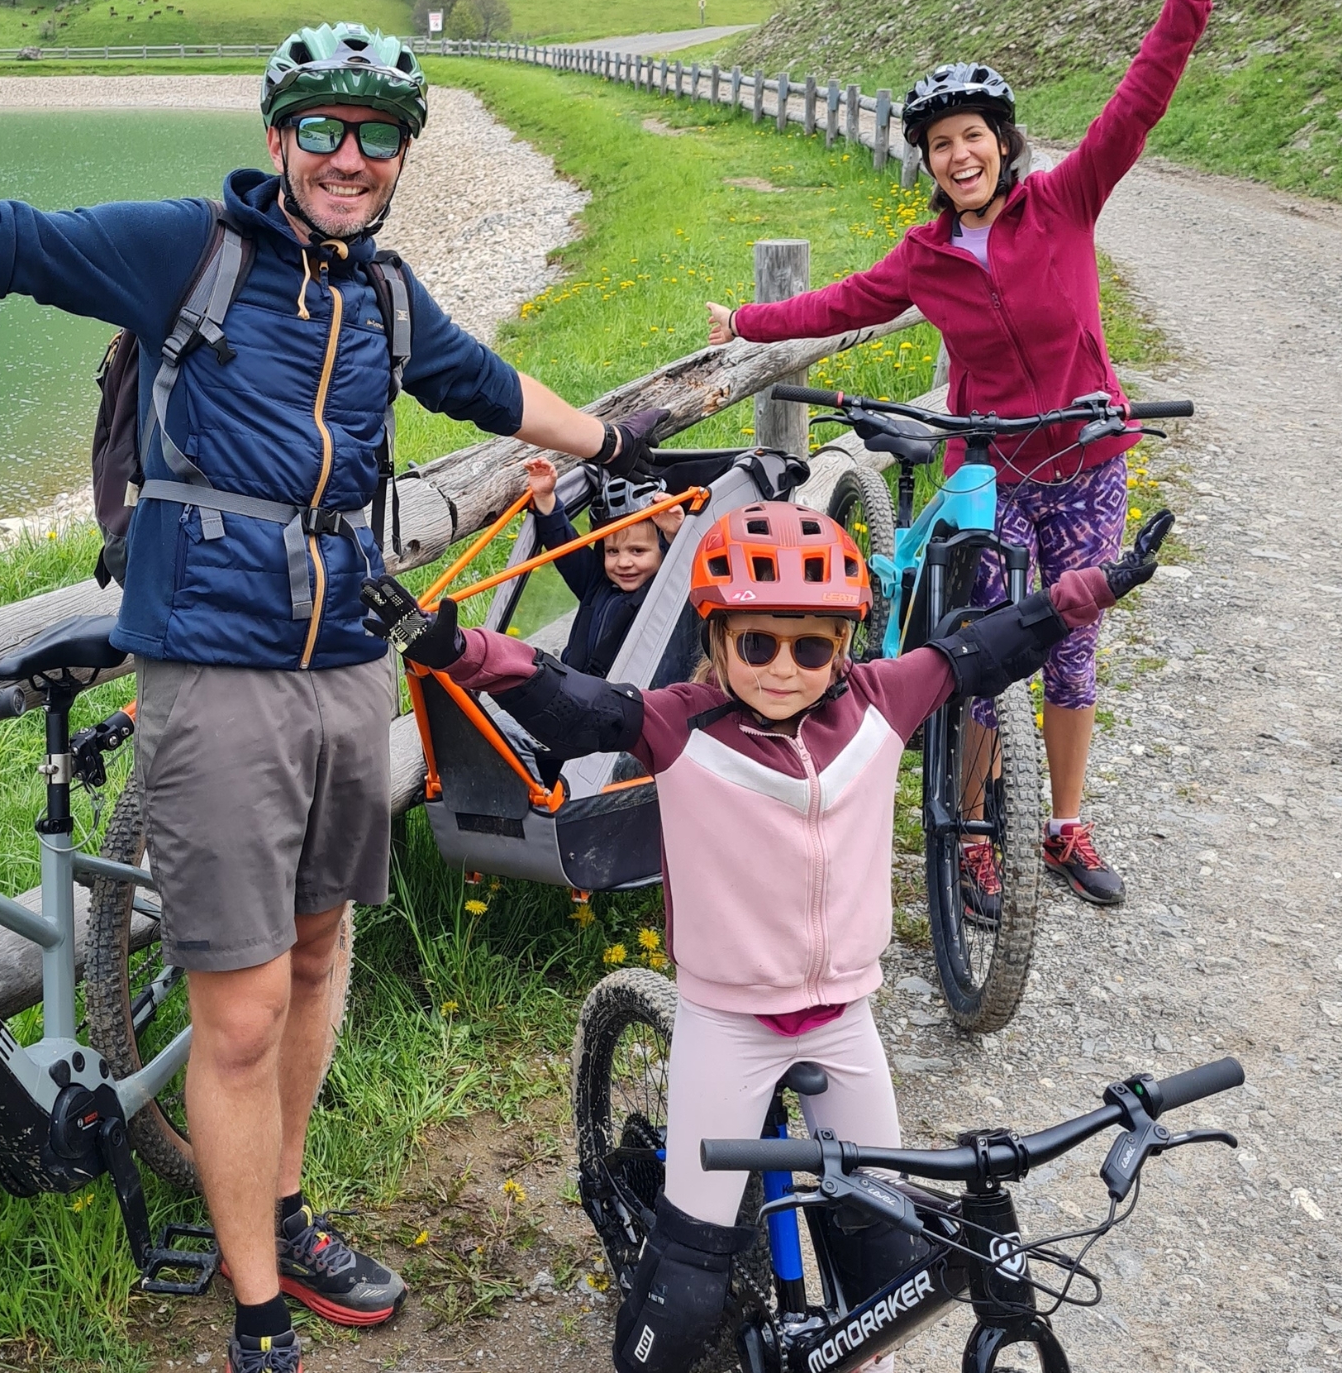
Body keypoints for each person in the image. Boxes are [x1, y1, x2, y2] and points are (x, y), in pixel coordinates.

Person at [0, 19, 668, 1373]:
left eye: (376, 134)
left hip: (347, 668)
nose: (349, 157)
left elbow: (486, 382)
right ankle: (257, 1301)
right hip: (218, 684)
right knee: (236, 1013)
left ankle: (284, 1207)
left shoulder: (385, 297)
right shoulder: (189, 252)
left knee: (323, 953)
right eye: (323, 130)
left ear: (401, 154)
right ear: (279, 139)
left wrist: (616, 437)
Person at [363, 504, 1171, 1373]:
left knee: (889, 1266)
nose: (784, 669)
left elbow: (989, 645)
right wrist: (452, 648)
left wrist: (1099, 585)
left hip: (843, 1019)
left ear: (844, 648)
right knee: (686, 1291)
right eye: (758, 645)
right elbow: (575, 703)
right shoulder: (681, 724)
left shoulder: (881, 705)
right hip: (727, 1023)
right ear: (717, 643)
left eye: (810, 647)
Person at [705, 0, 1219, 908]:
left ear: (1003, 143)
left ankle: (1061, 826)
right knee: (990, 651)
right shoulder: (925, 255)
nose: (959, 156)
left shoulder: (1065, 202)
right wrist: (746, 321)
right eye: (942, 145)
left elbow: (1139, 101)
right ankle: (979, 830)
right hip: (990, 468)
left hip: (1086, 460)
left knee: (1071, 645)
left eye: (973, 137)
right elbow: (842, 302)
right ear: (930, 162)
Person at [521, 456, 683, 678]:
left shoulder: (668, 591)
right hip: (572, 690)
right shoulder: (595, 582)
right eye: (612, 551)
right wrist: (545, 497)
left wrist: (675, 534)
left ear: (663, 550)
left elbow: (684, 567)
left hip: (629, 702)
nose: (623, 563)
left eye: (638, 551)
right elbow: (565, 547)